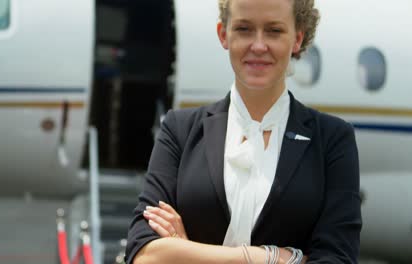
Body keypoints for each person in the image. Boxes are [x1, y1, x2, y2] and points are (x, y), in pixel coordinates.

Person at [126, 0, 362, 263]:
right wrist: (270, 257)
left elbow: (337, 259)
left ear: (297, 39)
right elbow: (144, 255)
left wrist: (186, 251)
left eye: (274, 31)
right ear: (223, 35)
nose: (258, 46)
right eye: (244, 29)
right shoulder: (180, 130)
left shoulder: (332, 139)